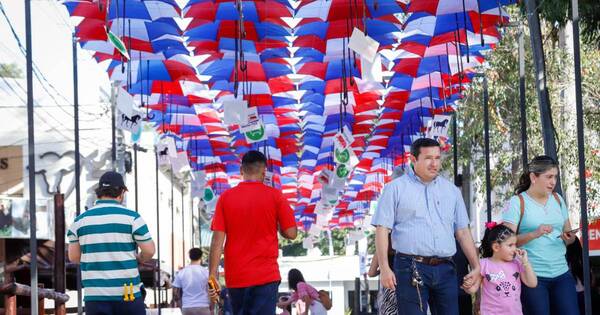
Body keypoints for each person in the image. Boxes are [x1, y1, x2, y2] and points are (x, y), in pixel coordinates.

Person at [371, 138, 480, 315]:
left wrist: (476, 266)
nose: (434, 163)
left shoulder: (451, 190)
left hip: (446, 267)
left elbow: (463, 232)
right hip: (409, 266)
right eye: (428, 158)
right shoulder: (395, 189)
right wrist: (384, 268)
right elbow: (382, 229)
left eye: (437, 158)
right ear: (413, 159)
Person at [208, 150, 298, 314]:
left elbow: (217, 241)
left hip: (236, 277)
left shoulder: (225, 198)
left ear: (241, 171)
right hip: (266, 276)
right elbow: (291, 233)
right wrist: (276, 220)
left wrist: (212, 274)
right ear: (264, 173)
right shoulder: (276, 197)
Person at [67, 171, 155, 315]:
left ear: (98, 193)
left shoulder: (79, 221)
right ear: (121, 193)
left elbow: (74, 257)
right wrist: (139, 259)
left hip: (95, 296)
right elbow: (149, 251)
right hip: (127, 294)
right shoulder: (132, 218)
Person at [502, 155, 579, 315]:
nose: (553, 182)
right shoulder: (517, 202)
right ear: (533, 177)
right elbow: (505, 242)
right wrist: (534, 234)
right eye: (549, 177)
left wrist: (569, 238)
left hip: (561, 273)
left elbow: (568, 236)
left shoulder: (558, 200)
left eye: (555, 177)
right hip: (532, 276)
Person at [466, 223, 537, 314]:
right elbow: (473, 289)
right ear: (496, 247)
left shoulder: (517, 262)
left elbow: (532, 283)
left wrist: (525, 262)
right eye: (510, 245)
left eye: (515, 245)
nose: (514, 249)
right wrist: (467, 285)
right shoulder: (483, 264)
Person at [173, 248, 211, 315]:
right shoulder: (206, 272)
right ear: (201, 257)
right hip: (203, 305)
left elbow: (175, 293)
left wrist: (180, 305)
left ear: (189, 256)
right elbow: (211, 289)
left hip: (187, 306)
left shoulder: (182, 272)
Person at [368, 235, 397, 315]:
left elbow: (371, 273)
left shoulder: (384, 244)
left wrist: (383, 270)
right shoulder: (407, 244)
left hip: (389, 287)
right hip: (409, 286)